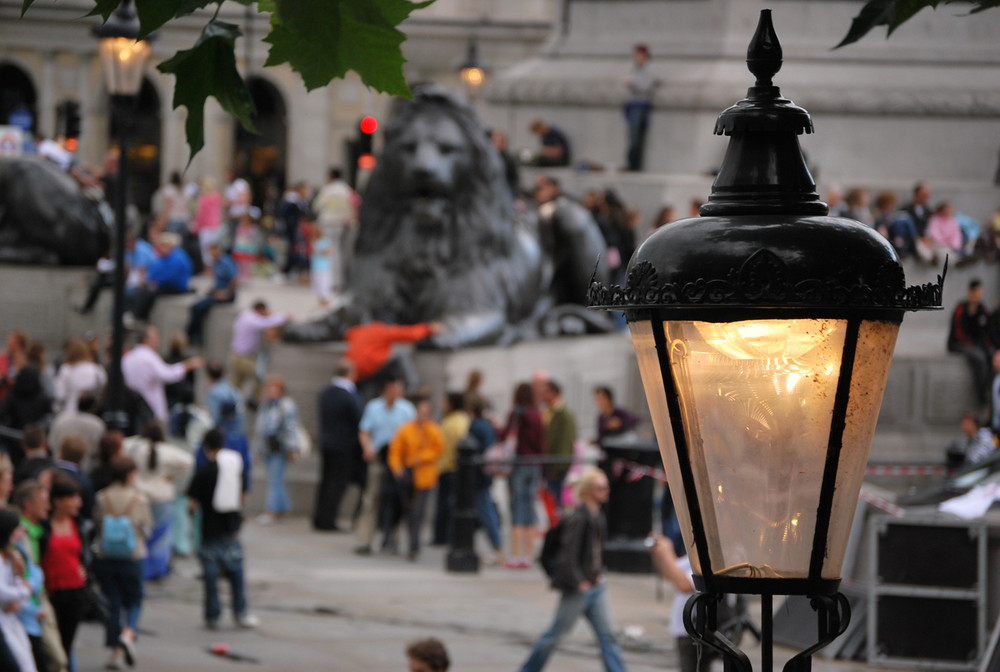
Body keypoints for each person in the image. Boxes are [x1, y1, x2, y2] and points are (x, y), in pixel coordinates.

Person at [518, 467, 626, 672]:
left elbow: (595, 552)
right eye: (600, 488)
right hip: (580, 588)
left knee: (608, 635)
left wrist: (598, 575)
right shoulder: (579, 518)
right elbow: (568, 557)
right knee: (555, 634)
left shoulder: (598, 516)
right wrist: (579, 582)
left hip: (596, 586)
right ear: (587, 491)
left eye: (606, 487)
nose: (606, 491)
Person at [187, 428, 259, 630]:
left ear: (206, 447)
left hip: (209, 530)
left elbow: (192, 504)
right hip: (231, 528)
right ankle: (241, 612)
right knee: (236, 573)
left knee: (210, 577)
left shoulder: (204, 471)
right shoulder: (234, 468)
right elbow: (244, 495)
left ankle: (212, 615)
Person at [92, 457, 152, 670]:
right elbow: (147, 528)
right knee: (134, 599)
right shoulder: (139, 499)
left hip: (106, 556)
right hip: (132, 556)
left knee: (113, 603)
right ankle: (129, 632)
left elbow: (97, 524)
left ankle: (115, 651)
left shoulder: (102, 497)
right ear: (129, 474)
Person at [354, 376, 417, 556]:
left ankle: (393, 538)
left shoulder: (406, 409)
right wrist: (367, 448)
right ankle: (366, 539)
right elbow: (364, 430)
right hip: (380, 458)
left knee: (397, 500)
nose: (396, 393)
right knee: (372, 499)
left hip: (399, 462)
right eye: (393, 389)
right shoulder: (374, 407)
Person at [123, 424, 194, 579]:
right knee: (160, 536)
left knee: (140, 534)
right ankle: (157, 569)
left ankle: (141, 566)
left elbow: (123, 444)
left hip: (140, 496)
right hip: (162, 497)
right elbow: (188, 460)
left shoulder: (137, 448)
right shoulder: (166, 450)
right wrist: (171, 476)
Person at [386, 394, 444, 561]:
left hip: (425, 477)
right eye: (421, 411)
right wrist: (396, 467)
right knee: (408, 511)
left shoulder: (433, 430)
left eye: (426, 412)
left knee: (418, 512)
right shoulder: (406, 429)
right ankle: (406, 541)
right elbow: (396, 449)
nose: (423, 415)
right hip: (407, 475)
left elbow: (437, 449)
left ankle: (414, 545)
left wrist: (422, 457)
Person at [40, 475, 87, 667]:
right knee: (52, 649)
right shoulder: (44, 526)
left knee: (66, 645)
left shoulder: (78, 524)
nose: (78, 503)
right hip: (51, 591)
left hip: (75, 591)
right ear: (58, 501)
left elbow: (81, 555)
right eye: (73, 498)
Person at [650, 535, 713, 672]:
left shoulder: (710, 556)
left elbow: (684, 584)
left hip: (696, 629)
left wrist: (667, 551)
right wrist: (658, 554)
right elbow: (671, 572)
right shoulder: (695, 555)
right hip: (685, 628)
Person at [313, 359, 362, 532]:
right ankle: (329, 520)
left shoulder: (325, 392)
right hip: (343, 445)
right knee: (337, 483)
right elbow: (358, 418)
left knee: (325, 481)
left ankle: (319, 518)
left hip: (326, 442)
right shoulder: (349, 394)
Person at [502, 382, 546, 569]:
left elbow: (505, 435)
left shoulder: (516, 414)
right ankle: (528, 555)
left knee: (517, 508)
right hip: (534, 465)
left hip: (519, 464)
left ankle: (514, 554)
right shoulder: (536, 415)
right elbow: (541, 443)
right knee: (530, 509)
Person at [122, 325, 204, 424]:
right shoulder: (149, 357)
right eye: (155, 337)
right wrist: (188, 365)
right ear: (146, 339)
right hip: (150, 408)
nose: (158, 340)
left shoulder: (129, 357)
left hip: (131, 407)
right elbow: (168, 374)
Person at [343, 321, 443, 401]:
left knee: (367, 398)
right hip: (372, 366)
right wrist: (428, 328)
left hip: (356, 372)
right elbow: (409, 334)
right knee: (401, 356)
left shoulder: (357, 331)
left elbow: (347, 334)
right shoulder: (381, 330)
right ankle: (413, 387)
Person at [253, 375, 301, 525]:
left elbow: (291, 427)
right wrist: (258, 450)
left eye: (274, 389)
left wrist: (291, 447)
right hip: (268, 447)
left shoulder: (286, 406)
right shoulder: (266, 406)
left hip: (280, 448)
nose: (271, 391)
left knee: (275, 480)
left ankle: (272, 510)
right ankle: (283, 508)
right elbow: (260, 429)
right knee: (276, 479)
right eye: (269, 389)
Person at [228, 301, 289, 404]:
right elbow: (266, 322)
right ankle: (252, 399)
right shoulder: (251, 319)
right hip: (242, 357)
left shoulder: (245, 315)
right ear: (260, 310)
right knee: (259, 376)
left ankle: (232, 402)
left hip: (238, 355)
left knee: (237, 382)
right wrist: (284, 316)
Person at [125, 231, 194, 323]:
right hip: (163, 284)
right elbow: (154, 270)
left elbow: (171, 276)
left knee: (150, 293)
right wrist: (151, 280)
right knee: (139, 291)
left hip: (175, 286)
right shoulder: (165, 256)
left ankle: (139, 316)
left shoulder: (178, 257)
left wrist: (156, 282)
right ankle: (133, 314)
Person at [0, 506, 37, 672]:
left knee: (26, 661)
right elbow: (2, 591)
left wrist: (19, 600)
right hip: (4, 620)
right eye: (16, 529)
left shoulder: (11, 556)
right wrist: (23, 592)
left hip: (11, 618)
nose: (20, 533)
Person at [467, 397, 503, 564]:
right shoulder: (488, 426)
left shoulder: (476, 426)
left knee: (485, 510)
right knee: (485, 509)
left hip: (478, 476)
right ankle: (495, 547)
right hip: (486, 474)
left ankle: (497, 547)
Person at [432, 392, 470, 546]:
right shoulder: (451, 419)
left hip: (452, 468)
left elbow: (462, 444)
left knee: (449, 504)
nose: (442, 404)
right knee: (443, 503)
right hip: (444, 466)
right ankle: (441, 536)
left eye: (445, 401)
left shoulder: (458, 421)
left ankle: (446, 536)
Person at [947, 279, 993, 405]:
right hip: (958, 343)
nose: (976, 295)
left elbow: (986, 332)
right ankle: (982, 394)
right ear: (969, 292)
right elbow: (958, 332)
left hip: (976, 344)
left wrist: (986, 346)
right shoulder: (961, 308)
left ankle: (989, 389)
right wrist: (972, 344)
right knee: (979, 358)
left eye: (978, 292)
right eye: (973, 292)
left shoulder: (983, 309)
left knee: (990, 355)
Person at [312, 167, 359, 292]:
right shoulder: (346, 190)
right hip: (343, 223)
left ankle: (329, 280)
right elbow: (354, 205)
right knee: (340, 251)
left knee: (327, 251)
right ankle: (340, 280)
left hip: (327, 222)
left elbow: (317, 206)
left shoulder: (327, 190)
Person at [185, 242, 238, 346]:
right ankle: (191, 333)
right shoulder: (216, 262)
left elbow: (234, 280)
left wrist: (225, 293)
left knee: (201, 307)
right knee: (195, 306)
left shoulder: (226, 262)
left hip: (227, 294)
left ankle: (197, 336)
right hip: (217, 291)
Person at [540, 379, 577, 512]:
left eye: (545, 393)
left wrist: (557, 466)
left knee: (558, 502)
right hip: (552, 464)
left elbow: (565, 442)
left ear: (553, 393)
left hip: (557, 465)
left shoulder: (562, 414)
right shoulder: (550, 412)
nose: (542, 396)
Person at [624, 43, 655, 171]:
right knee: (632, 136)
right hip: (633, 104)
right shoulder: (636, 69)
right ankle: (631, 163)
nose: (636, 57)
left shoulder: (649, 69)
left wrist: (633, 83)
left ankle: (634, 165)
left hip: (640, 105)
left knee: (636, 137)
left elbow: (646, 86)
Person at [49, 392, 106, 458]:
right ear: (93, 407)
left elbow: (51, 443)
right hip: (86, 465)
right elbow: (99, 449)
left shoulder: (61, 419)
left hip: (59, 463)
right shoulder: (97, 424)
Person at [192, 176, 224, 267]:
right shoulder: (218, 196)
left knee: (205, 249)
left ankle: (208, 267)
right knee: (214, 247)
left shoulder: (203, 198)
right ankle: (215, 266)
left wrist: (196, 226)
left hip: (205, 226)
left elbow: (200, 214)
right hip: (215, 226)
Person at [204, 360, 244, 431]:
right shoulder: (234, 390)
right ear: (223, 373)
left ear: (208, 375)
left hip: (221, 434)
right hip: (235, 432)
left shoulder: (213, 393)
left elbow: (213, 418)